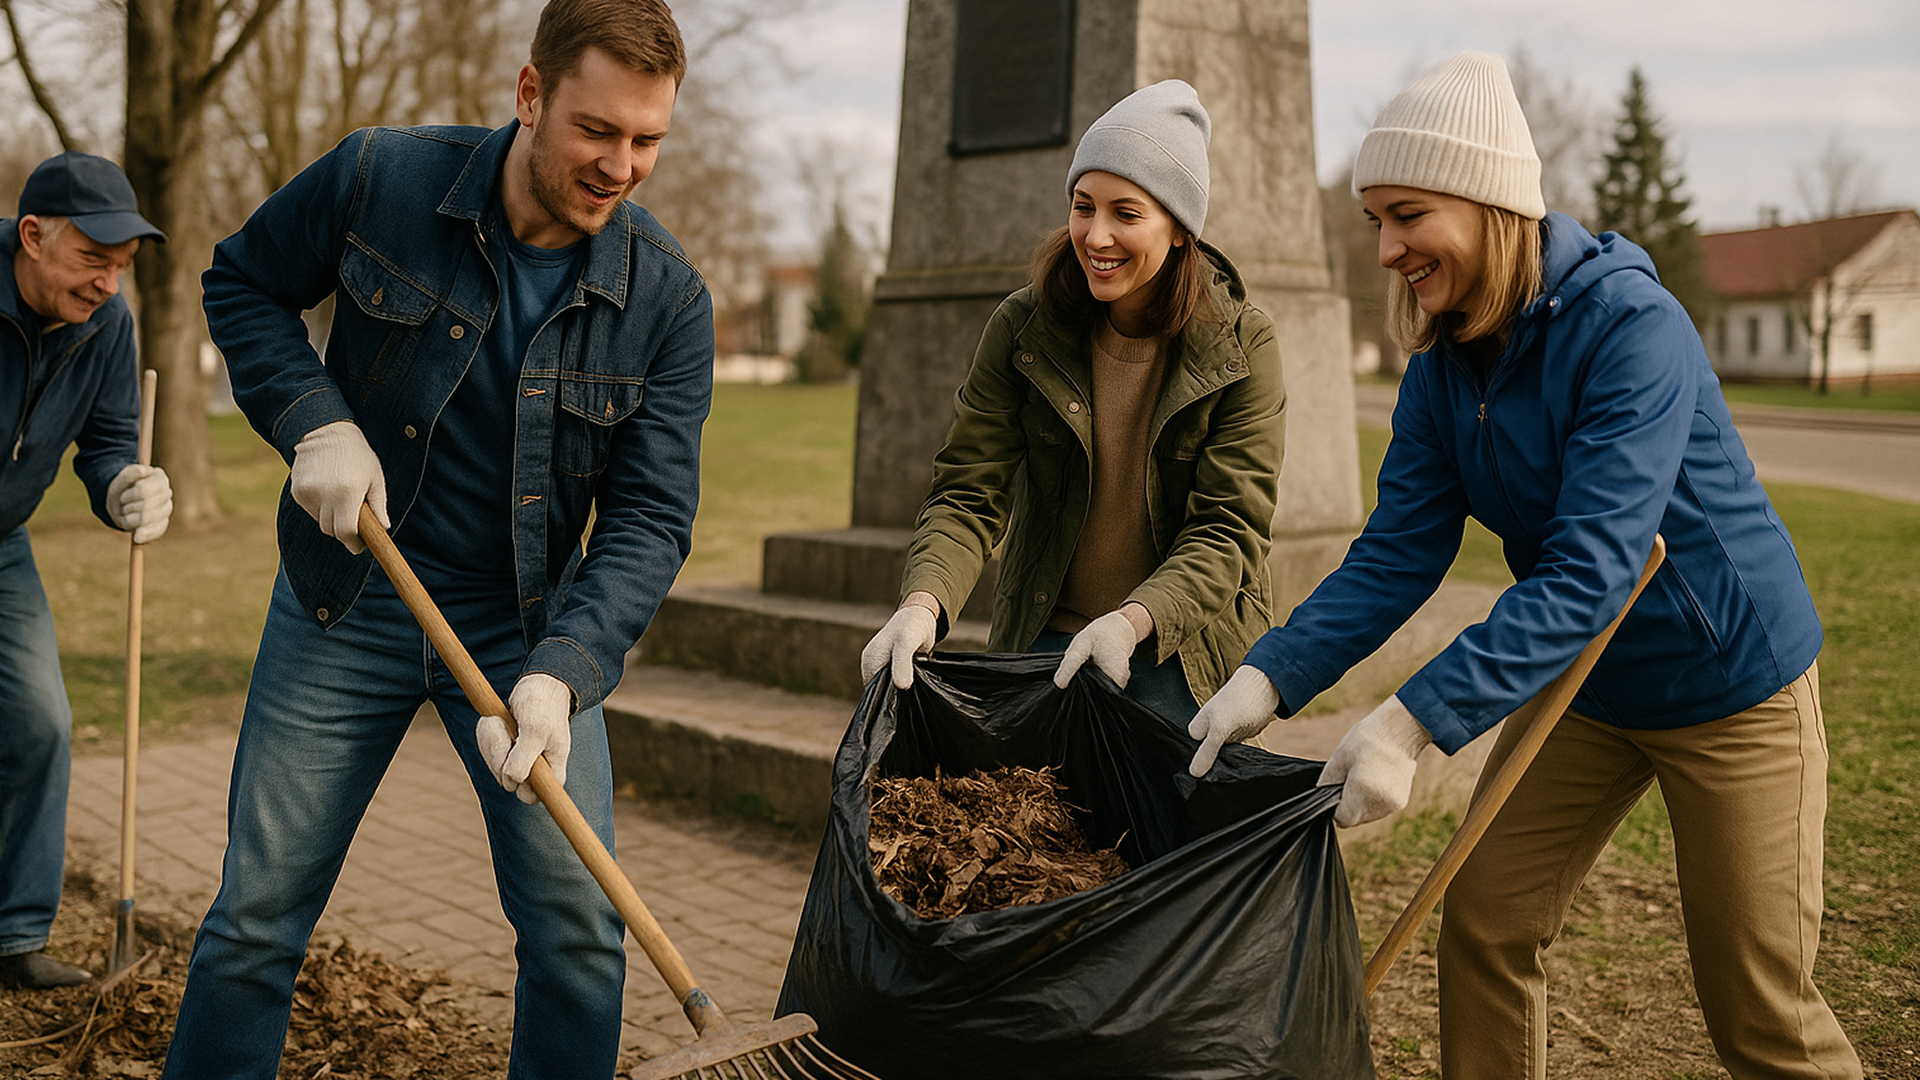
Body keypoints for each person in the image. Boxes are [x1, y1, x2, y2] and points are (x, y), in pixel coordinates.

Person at [1186, 51, 1862, 1080]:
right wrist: (1267, 678)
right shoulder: (1444, 367)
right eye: (1377, 220)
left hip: (1730, 684)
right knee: (1489, 921)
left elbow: (1595, 570)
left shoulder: (1632, 329)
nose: (1386, 248)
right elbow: (1397, 553)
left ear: (1488, 200)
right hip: (1588, 689)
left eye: (1407, 213)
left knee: (1757, 1005)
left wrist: (1409, 724)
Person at [161, 0, 710, 1075]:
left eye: (648, 139)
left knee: (580, 943)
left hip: (526, 634)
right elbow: (242, 282)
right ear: (529, 94)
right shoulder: (383, 180)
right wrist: (312, 420)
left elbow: (650, 518)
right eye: (597, 131)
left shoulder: (667, 299)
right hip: (349, 599)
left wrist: (562, 675)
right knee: (257, 922)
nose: (622, 165)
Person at [860, 80, 1285, 724]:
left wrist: (1130, 622)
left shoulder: (1243, 344)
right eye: (1084, 206)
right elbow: (969, 491)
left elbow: (1229, 530)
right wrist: (922, 605)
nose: (1096, 235)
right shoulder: (1024, 327)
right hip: (1046, 640)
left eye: (1127, 213)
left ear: (1178, 230)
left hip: (1180, 650)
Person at [0, 152, 171, 991]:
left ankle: (14, 936)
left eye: (120, 266)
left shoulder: (108, 324)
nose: (108, 283)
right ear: (32, 236)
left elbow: (107, 441)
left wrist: (123, 485)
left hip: (2, 541)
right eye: (91, 261)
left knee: (42, 723)